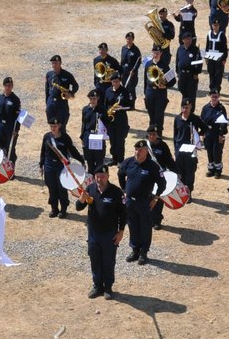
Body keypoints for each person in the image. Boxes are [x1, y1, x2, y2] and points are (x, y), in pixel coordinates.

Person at [77, 166, 125, 299]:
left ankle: (108, 288)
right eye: (97, 176)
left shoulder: (116, 192)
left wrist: (121, 231)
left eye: (103, 176)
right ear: (94, 177)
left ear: (108, 176)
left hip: (109, 234)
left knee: (108, 261)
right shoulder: (90, 189)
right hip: (93, 233)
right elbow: (78, 207)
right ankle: (97, 286)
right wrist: (81, 200)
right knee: (95, 260)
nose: (100, 179)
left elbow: (124, 214)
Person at [119, 141, 162, 265]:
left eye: (141, 150)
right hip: (130, 201)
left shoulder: (152, 166)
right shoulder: (128, 162)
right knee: (132, 225)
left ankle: (144, 252)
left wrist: (156, 198)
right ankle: (135, 250)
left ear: (147, 152)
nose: (138, 152)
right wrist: (124, 190)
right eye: (136, 149)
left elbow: (162, 184)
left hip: (145, 202)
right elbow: (120, 173)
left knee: (145, 227)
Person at [39, 122, 83, 220]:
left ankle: (63, 210)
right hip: (49, 165)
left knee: (62, 188)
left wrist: (81, 159)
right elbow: (43, 152)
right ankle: (54, 209)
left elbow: (72, 150)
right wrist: (41, 165)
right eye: (51, 126)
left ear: (59, 126)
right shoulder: (47, 137)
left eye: (54, 126)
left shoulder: (65, 137)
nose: (53, 128)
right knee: (52, 187)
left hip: (61, 166)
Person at [171, 100, 202, 194]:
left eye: (187, 108)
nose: (184, 110)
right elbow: (175, 135)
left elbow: (205, 128)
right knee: (180, 172)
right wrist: (176, 150)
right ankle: (181, 193)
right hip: (180, 151)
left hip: (190, 151)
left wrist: (197, 136)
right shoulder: (177, 118)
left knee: (189, 173)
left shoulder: (195, 119)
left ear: (191, 107)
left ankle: (188, 193)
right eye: (183, 107)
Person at [198, 91, 229, 178]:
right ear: (210, 97)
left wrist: (221, 134)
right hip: (208, 132)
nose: (214, 98)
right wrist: (202, 132)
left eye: (216, 97)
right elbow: (202, 121)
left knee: (217, 152)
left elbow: (224, 123)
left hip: (217, 133)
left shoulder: (221, 108)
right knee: (209, 151)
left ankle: (218, 171)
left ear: (218, 97)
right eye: (213, 97)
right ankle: (211, 169)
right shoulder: (205, 108)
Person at [79, 90, 109, 174]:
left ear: (98, 98)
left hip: (98, 136)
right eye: (91, 99)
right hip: (88, 136)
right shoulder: (85, 109)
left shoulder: (102, 109)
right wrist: (82, 137)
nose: (92, 101)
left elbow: (107, 124)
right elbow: (83, 124)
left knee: (99, 161)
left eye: (94, 99)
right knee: (90, 161)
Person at [43, 55, 77, 129]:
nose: (54, 65)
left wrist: (70, 94)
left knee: (62, 125)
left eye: (56, 63)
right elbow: (46, 91)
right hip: (51, 102)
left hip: (62, 103)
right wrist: (47, 104)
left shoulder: (67, 75)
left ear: (60, 63)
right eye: (52, 63)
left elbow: (76, 86)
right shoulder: (49, 75)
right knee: (52, 126)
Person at [0, 78, 22, 163]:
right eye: (6, 85)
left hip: (10, 128)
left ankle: (12, 171)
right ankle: (5, 170)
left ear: (12, 86)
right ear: (3, 86)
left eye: (9, 85)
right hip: (0, 127)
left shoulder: (15, 99)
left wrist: (16, 130)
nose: (7, 87)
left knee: (11, 149)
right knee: (3, 148)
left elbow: (18, 117)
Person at [202, 16, 228, 96]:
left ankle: (217, 89)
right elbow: (207, 46)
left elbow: (225, 48)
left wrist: (224, 58)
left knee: (218, 74)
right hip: (210, 56)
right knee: (211, 73)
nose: (215, 26)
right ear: (212, 25)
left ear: (219, 26)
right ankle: (212, 89)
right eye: (214, 25)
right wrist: (206, 57)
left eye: (217, 25)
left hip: (219, 57)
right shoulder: (209, 34)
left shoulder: (222, 35)